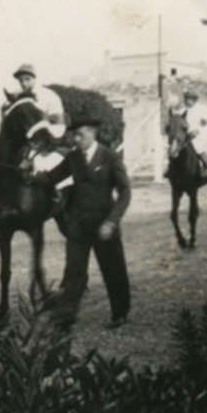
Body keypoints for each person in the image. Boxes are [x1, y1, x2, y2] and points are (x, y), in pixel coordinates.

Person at [37, 111, 131, 330]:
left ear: (92, 133)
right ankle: (66, 316)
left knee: (113, 270)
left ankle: (120, 313)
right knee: (74, 272)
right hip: (78, 225)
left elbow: (125, 192)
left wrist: (111, 221)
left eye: (79, 135)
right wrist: (30, 176)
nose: (76, 140)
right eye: (74, 136)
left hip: (104, 225)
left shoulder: (109, 156)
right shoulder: (73, 157)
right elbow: (52, 177)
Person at [5, 64, 66, 144]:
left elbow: (57, 119)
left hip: (51, 132)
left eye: (27, 79)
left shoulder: (47, 95)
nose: (24, 83)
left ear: (34, 78)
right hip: (28, 134)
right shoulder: (19, 95)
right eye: (21, 80)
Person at [183, 90, 207, 179]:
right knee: (176, 146)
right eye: (186, 99)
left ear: (194, 100)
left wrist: (197, 131)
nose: (187, 101)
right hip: (186, 134)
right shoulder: (183, 110)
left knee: (198, 146)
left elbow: (206, 121)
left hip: (200, 133)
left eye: (189, 99)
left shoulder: (202, 109)